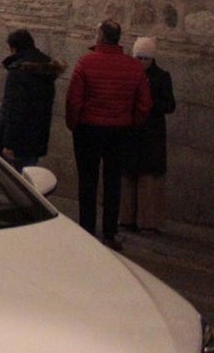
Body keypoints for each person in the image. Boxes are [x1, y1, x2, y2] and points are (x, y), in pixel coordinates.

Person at [65, 19, 152, 251]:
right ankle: (110, 233)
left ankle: (86, 230)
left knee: (88, 181)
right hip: (120, 131)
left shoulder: (86, 62)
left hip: (88, 130)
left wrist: (74, 124)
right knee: (113, 182)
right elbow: (144, 104)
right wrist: (132, 124)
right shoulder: (134, 67)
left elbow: (74, 100)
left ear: (101, 37)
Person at [0, 29, 67, 172]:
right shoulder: (47, 69)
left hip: (16, 141)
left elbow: (12, 108)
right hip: (36, 139)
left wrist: (9, 143)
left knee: (3, 178)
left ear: (14, 48)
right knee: (27, 180)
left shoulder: (18, 71)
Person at [120, 37, 176, 233]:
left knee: (147, 180)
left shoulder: (161, 77)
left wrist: (150, 103)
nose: (141, 62)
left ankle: (147, 222)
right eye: (138, 58)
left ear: (152, 59)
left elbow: (170, 105)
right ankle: (126, 218)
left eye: (145, 58)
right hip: (132, 131)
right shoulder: (129, 73)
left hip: (151, 134)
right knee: (128, 176)